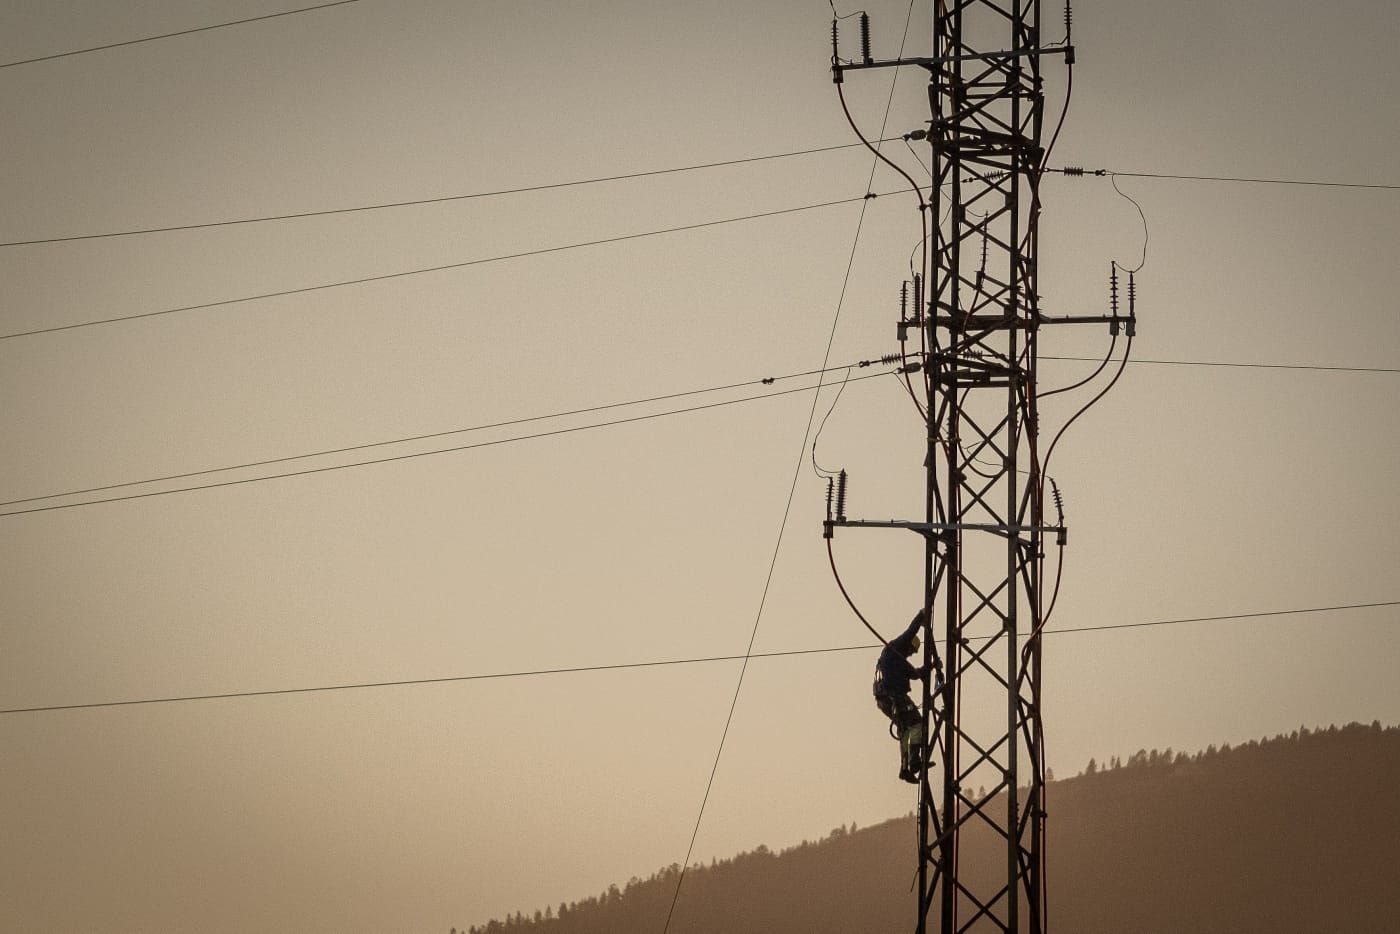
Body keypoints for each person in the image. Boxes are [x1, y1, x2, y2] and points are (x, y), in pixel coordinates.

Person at [873, 609, 935, 784]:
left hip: (885, 699)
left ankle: (905, 769)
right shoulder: (894, 651)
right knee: (917, 724)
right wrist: (921, 616)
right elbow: (910, 632)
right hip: (892, 696)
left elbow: (915, 674)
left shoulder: (897, 660)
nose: (911, 654)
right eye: (912, 651)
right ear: (907, 646)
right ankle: (914, 761)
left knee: (905, 730)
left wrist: (931, 666)